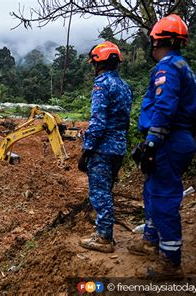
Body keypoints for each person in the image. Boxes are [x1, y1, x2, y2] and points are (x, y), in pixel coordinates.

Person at [128, 14, 196, 278]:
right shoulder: (183, 66)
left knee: (163, 198)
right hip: (176, 138)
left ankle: (170, 262)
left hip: (168, 140)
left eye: (153, 43)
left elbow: (164, 107)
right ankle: (150, 241)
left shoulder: (167, 68)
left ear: (158, 41)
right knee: (152, 190)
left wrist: (151, 143)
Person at [78, 41, 133, 253]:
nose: (93, 67)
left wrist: (86, 151)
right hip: (119, 148)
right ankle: (103, 230)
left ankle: (104, 238)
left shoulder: (102, 85)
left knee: (100, 194)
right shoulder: (124, 87)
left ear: (98, 63)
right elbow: (125, 121)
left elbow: (98, 123)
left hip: (102, 149)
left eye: (93, 63)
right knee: (107, 191)